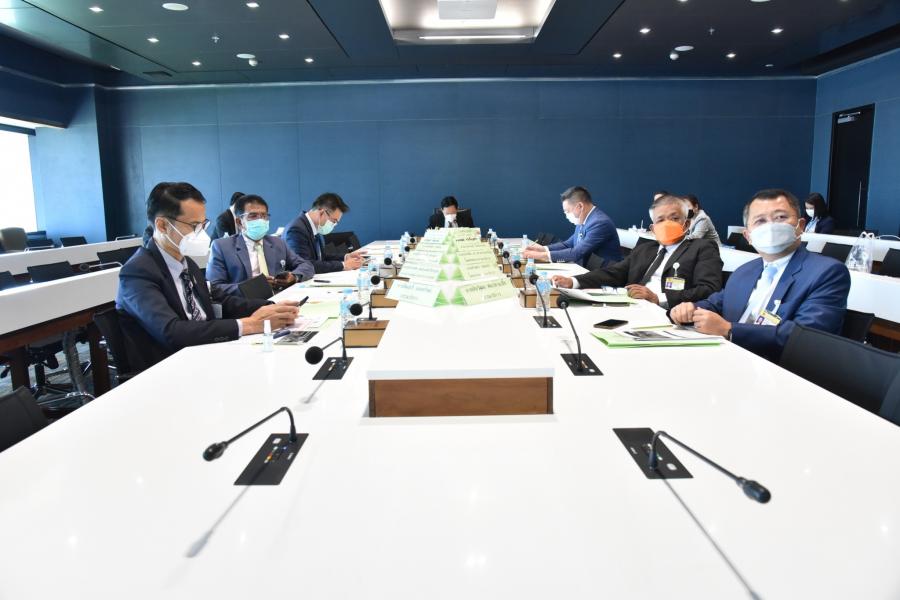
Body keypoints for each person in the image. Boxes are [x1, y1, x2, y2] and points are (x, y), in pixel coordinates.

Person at [116, 182, 300, 370]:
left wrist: (271, 307)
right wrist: (250, 324)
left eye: (203, 225)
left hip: (205, 352)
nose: (202, 233)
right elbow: (172, 332)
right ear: (162, 225)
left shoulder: (187, 263)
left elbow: (222, 301)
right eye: (194, 225)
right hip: (169, 367)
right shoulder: (138, 272)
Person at [670, 189, 850, 362]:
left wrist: (729, 330)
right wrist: (689, 309)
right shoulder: (744, 271)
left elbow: (806, 338)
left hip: (780, 371)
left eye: (781, 217)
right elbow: (716, 303)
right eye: (760, 221)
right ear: (748, 236)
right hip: (725, 359)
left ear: (800, 226)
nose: (771, 226)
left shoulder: (827, 272)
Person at [552, 195, 722, 308]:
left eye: (675, 218)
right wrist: (573, 281)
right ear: (653, 229)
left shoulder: (702, 248)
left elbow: (709, 289)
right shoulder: (645, 249)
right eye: (661, 220)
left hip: (669, 315)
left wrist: (659, 298)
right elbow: (614, 273)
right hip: (633, 308)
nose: (667, 223)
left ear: (686, 225)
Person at [206, 194, 314, 298]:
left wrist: (294, 276)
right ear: (239, 222)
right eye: (253, 216)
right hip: (246, 303)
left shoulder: (278, 243)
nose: (260, 220)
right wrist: (251, 287)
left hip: (279, 299)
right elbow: (214, 288)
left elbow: (306, 265)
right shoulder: (222, 247)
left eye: (264, 216)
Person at [522, 186, 622, 268]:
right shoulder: (584, 219)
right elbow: (568, 244)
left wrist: (541, 256)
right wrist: (543, 249)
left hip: (604, 276)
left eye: (567, 211)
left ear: (580, 206)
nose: (566, 215)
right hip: (586, 270)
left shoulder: (599, 223)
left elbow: (576, 253)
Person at [283, 192, 364, 274]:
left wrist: (346, 257)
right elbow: (305, 265)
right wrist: (343, 265)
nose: (334, 225)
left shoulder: (314, 226)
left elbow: (321, 257)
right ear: (321, 212)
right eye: (334, 221)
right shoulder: (296, 230)